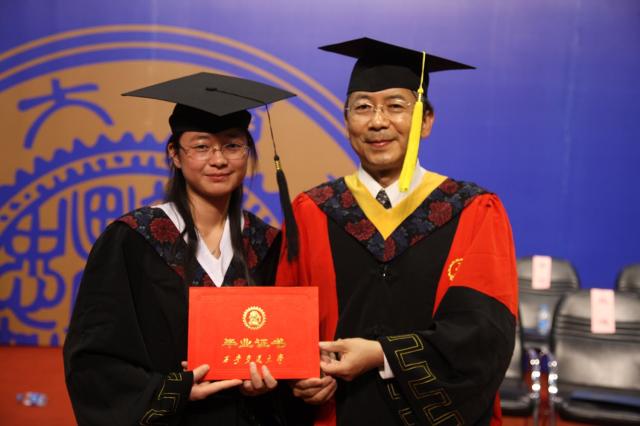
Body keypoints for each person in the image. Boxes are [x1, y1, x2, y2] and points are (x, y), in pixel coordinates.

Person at [276, 38, 518, 425]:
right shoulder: (312, 211)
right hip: (335, 414)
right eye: (363, 107)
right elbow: (286, 325)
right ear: (346, 121)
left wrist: (383, 355)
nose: (377, 122)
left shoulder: (473, 211)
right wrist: (299, 378)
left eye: (395, 106)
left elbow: (484, 335)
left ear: (426, 121)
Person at [63, 72, 298, 425]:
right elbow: (93, 358)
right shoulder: (133, 240)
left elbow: (288, 351)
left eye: (232, 145)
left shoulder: (268, 244)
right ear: (175, 154)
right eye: (201, 146)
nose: (218, 160)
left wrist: (269, 384)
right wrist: (173, 389)